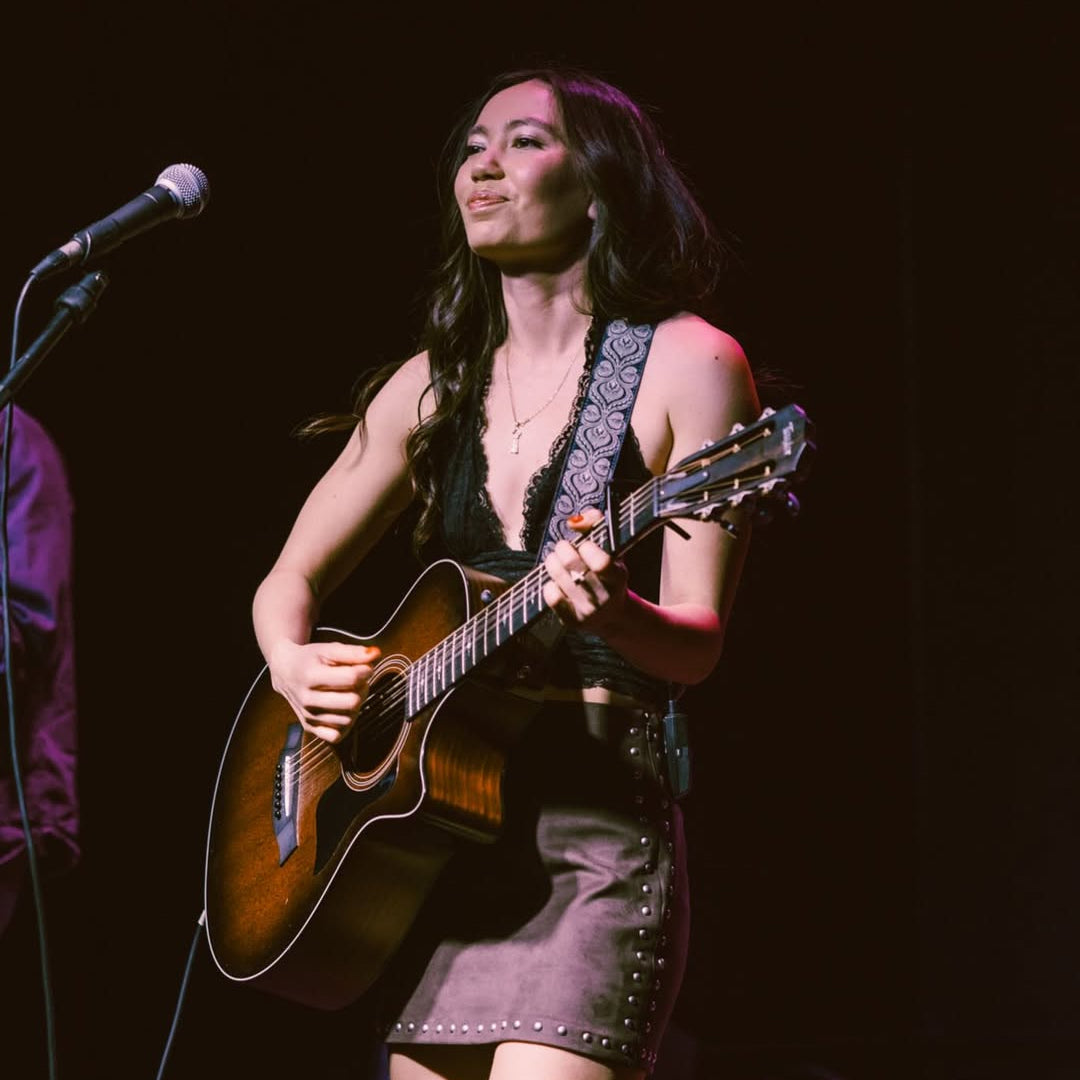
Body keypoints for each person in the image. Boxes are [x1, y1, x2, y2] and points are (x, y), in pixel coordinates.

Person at [251, 67, 760, 1080]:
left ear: (602, 183)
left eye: (525, 141)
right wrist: (290, 664)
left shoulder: (689, 365)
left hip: (588, 833)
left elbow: (697, 645)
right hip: (430, 845)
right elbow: (284, 583)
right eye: (473, 145)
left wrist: (615, 615)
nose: (482, 163)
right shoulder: (432, 383)